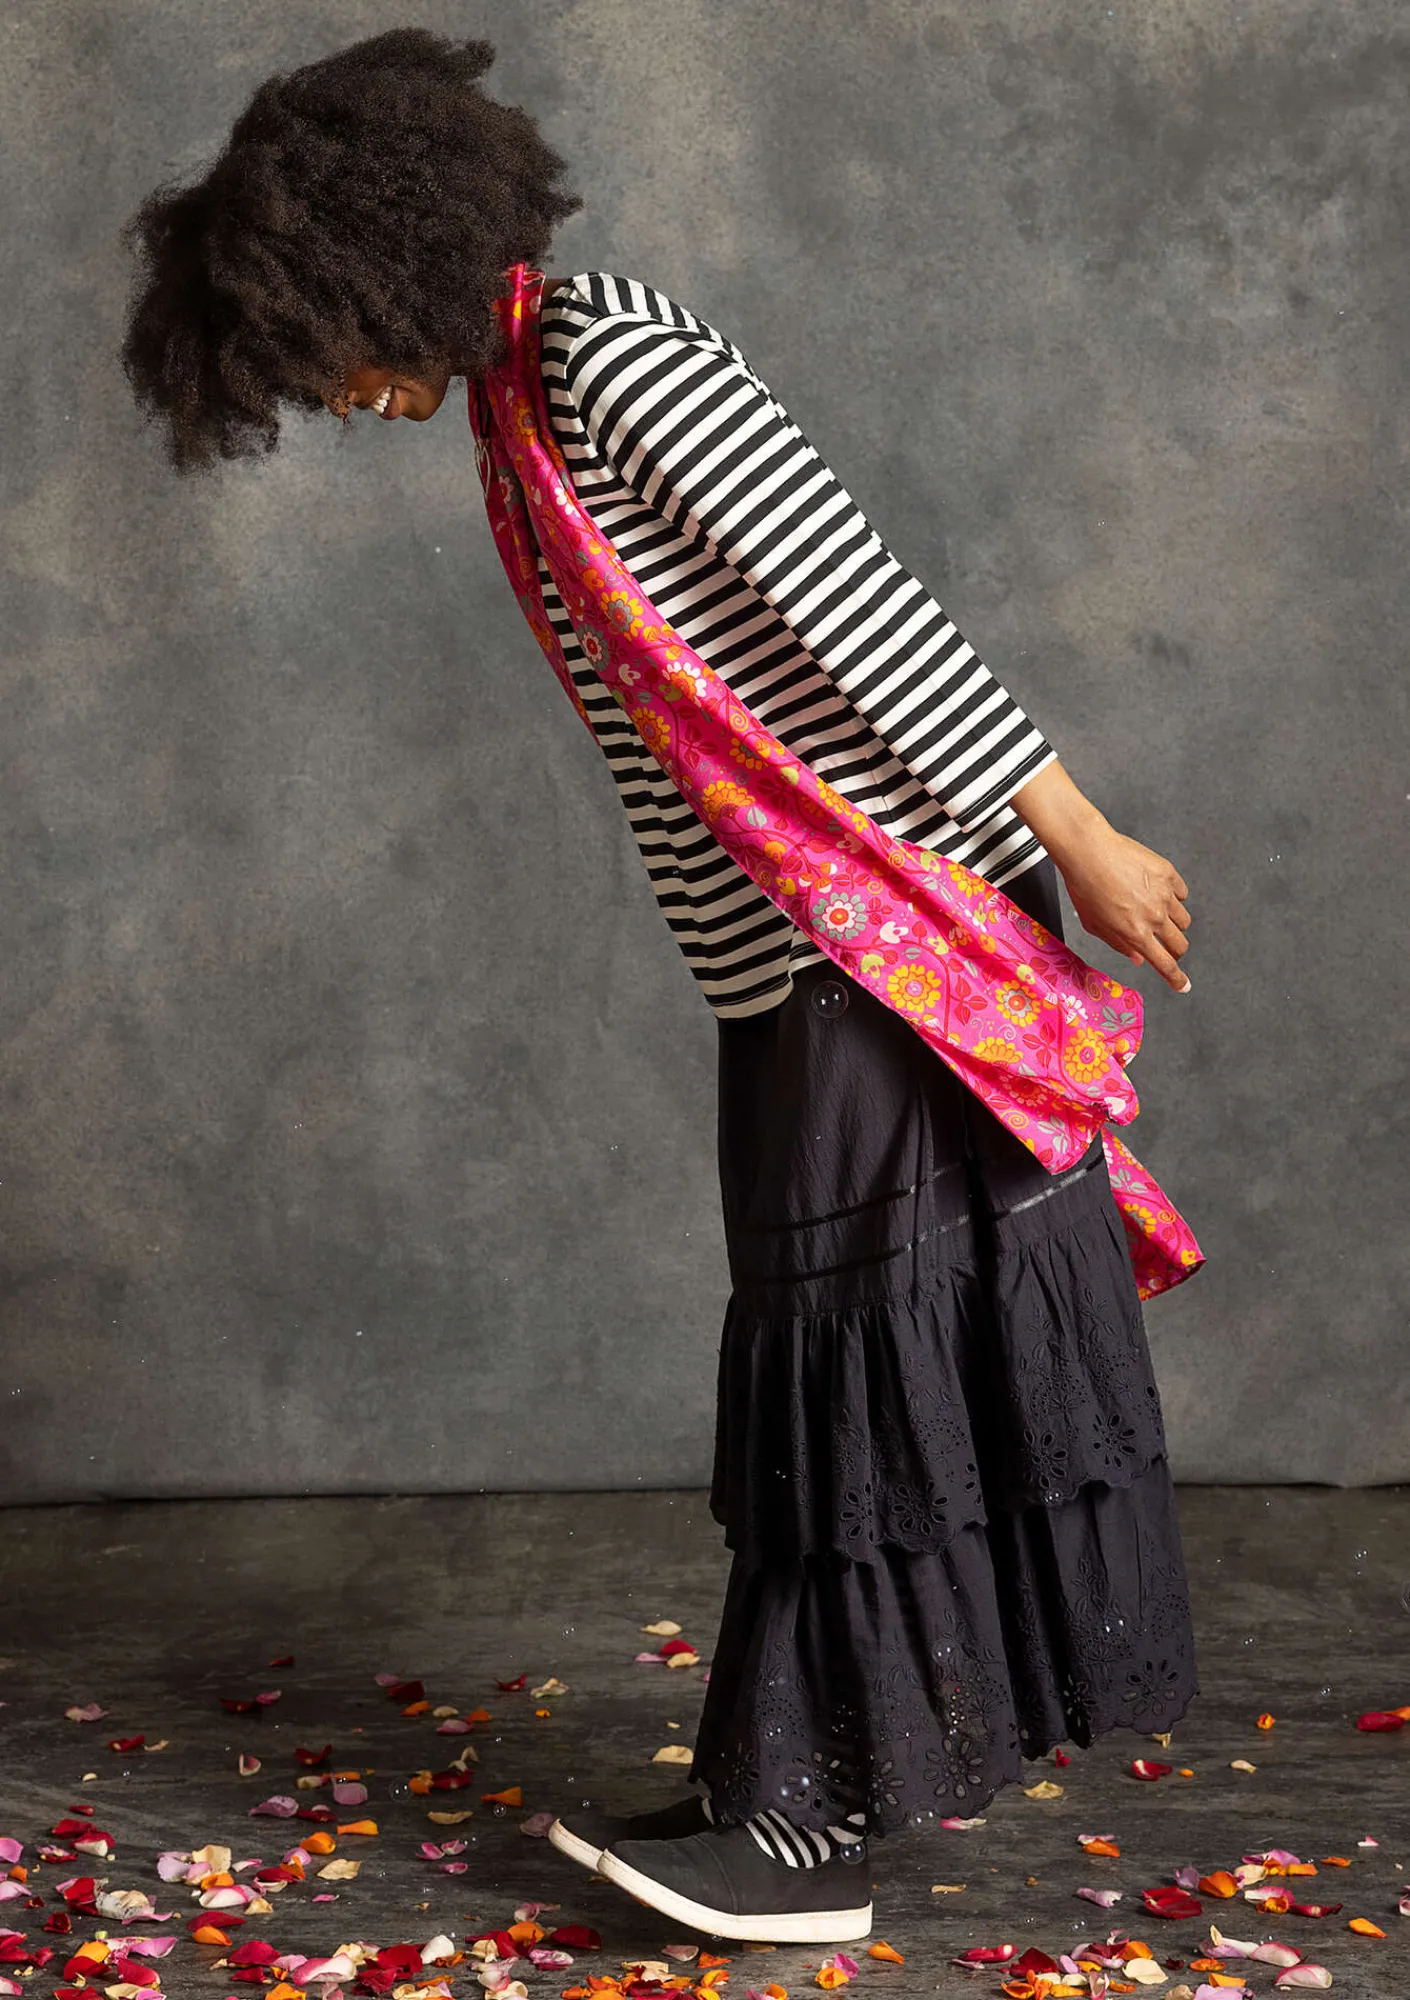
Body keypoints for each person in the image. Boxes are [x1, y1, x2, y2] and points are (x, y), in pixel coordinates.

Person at [120, 27, 1199, 1948]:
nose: (336, 397)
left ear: (375, 270)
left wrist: (1083, 831)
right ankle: (770, 1778)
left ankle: (803, 1835)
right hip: (797, 948)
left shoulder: (607, 354)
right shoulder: (520, 401)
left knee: (851, 1370)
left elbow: (859, 609)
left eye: (319, 352)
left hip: (882, 929)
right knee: (826, 1364)